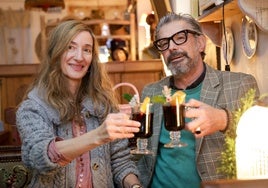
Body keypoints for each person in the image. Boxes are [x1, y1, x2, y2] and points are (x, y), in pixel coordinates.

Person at [136, 12, 260, 187]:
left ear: (200, 43)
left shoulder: (239, 85)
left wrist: (224, 119)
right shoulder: (151, 92)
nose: (171, 47)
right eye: (164, 43)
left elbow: (261, 136)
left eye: (180, 37)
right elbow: (139, 154)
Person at [16, 19, 142, 188]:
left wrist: (134, 185)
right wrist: (98, 136)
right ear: (56, 52)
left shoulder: (105, 105)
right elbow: (41, 157)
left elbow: (121, 163)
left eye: (87, 50)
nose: (79, 57)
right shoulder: (32, 108)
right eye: (70, 47)